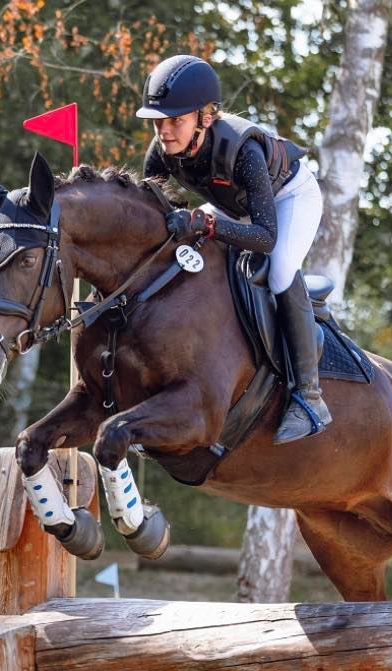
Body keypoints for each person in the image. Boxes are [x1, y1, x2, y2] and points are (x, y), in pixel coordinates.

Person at [137, 54, 331, 445]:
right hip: (232, 206)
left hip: (288, 198)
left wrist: (206, 224)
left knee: (278, 270)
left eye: (176, 120)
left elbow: (263, 237)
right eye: (159, 121)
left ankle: (309, 396)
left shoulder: (244, 152)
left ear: (205, 118)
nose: (165, 131)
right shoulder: (160, 154)